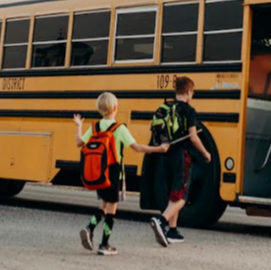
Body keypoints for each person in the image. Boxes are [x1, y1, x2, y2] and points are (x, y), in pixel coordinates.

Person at [74, 92, 169, 256]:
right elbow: (137, 148)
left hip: (99, 172)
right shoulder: (119, 128)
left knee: (104, 205)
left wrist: (78, 125)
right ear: (116, 108)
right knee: (111, 209)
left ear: (99, 109)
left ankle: (89, 228)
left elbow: (78, 143)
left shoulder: (95, 127)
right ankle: (104, 244)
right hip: (114, 173)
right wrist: (159, 149)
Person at [150, 77, 212, 247]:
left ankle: (172, 231)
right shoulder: (188, 110)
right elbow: (193, 137)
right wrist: (206, 153)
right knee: (182, 196)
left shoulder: (165, 108)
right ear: (188, 92)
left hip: (165, 155)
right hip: (181, 155)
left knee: (173, 192)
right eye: (192, 92)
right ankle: (161, 220)